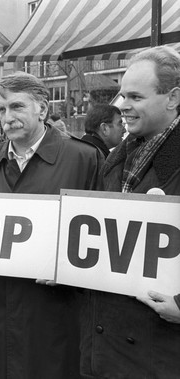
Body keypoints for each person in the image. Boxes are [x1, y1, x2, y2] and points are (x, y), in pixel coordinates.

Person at [0, 72, 103, 379]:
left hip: (55, 316)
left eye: (16, 107)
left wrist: (71, 272)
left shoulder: (85, 159)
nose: (7, 117)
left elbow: (100, 243)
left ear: (41, 109)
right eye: (0, 110)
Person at [80, 45, 180, 378]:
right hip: (106, 343)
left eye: (135, 97)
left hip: (160, 349)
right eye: (122, 95)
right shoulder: (117, 158)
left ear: (173, 97)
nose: (122, 105)